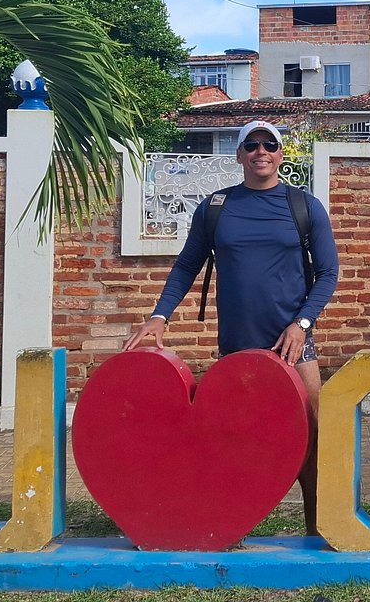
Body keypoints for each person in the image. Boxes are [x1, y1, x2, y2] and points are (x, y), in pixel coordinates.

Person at [124, 120, 339, 534]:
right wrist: (159, 314)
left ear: (281, 153)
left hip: (293, 345)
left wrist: (303, 324)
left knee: (312, 439)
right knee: (234, 440)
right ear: (240, 155)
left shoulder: (304, 206)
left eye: (270, 144)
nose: (261, 151)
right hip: (238, 348)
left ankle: (317, 527)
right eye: (252, 145)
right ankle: (225, 522)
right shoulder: (216, 206)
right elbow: (187, 264)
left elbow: (328, 273)